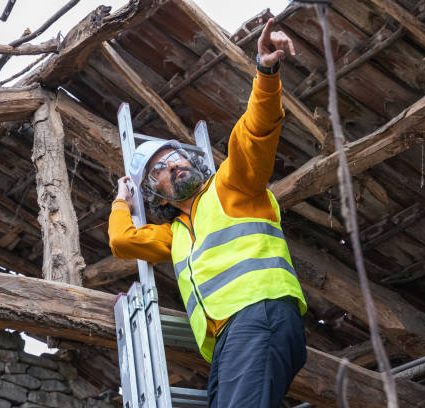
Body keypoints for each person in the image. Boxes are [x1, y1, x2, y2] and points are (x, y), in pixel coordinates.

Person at [108, 18, 307, 408]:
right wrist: (122, 199)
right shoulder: (176, 234)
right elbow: (122, 240)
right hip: (228, 342)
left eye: (175, 156)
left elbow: (255, 131)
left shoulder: (230, 185)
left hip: (259, 316)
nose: (172, 165)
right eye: (159, 170)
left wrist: (266, 72)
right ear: (156, 195)